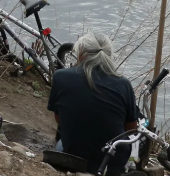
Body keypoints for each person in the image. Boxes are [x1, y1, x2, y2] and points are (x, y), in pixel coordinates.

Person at [47, 33, 141, 175]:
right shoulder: (124, 84)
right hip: (112, 161)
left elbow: (59, 118)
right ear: (109, 55)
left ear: (81, 52)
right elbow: (131, 130)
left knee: (60, 145)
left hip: (74, 157)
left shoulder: (60, 77)